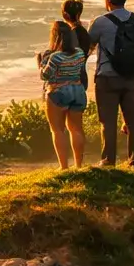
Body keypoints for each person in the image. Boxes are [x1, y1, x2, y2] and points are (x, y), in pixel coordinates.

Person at [85, 0, 134, 168]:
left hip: (108, 77)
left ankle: (108, 160)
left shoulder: (100, 22)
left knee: (108, 121)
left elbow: (88, 47)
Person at [37, 21, 87, 168]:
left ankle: (64, 166)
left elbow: (45, 76)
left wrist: (40, 64)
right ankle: (78, 165)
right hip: (78, 90)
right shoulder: (79, 52)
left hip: (58, 91)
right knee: (76, 129)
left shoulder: (55, 57)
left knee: (58, 130)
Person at [61, 0, 92, 95]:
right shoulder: (83, 32)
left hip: (70, 79)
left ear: (65, 15)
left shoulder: (71, 34)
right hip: (82, 77)